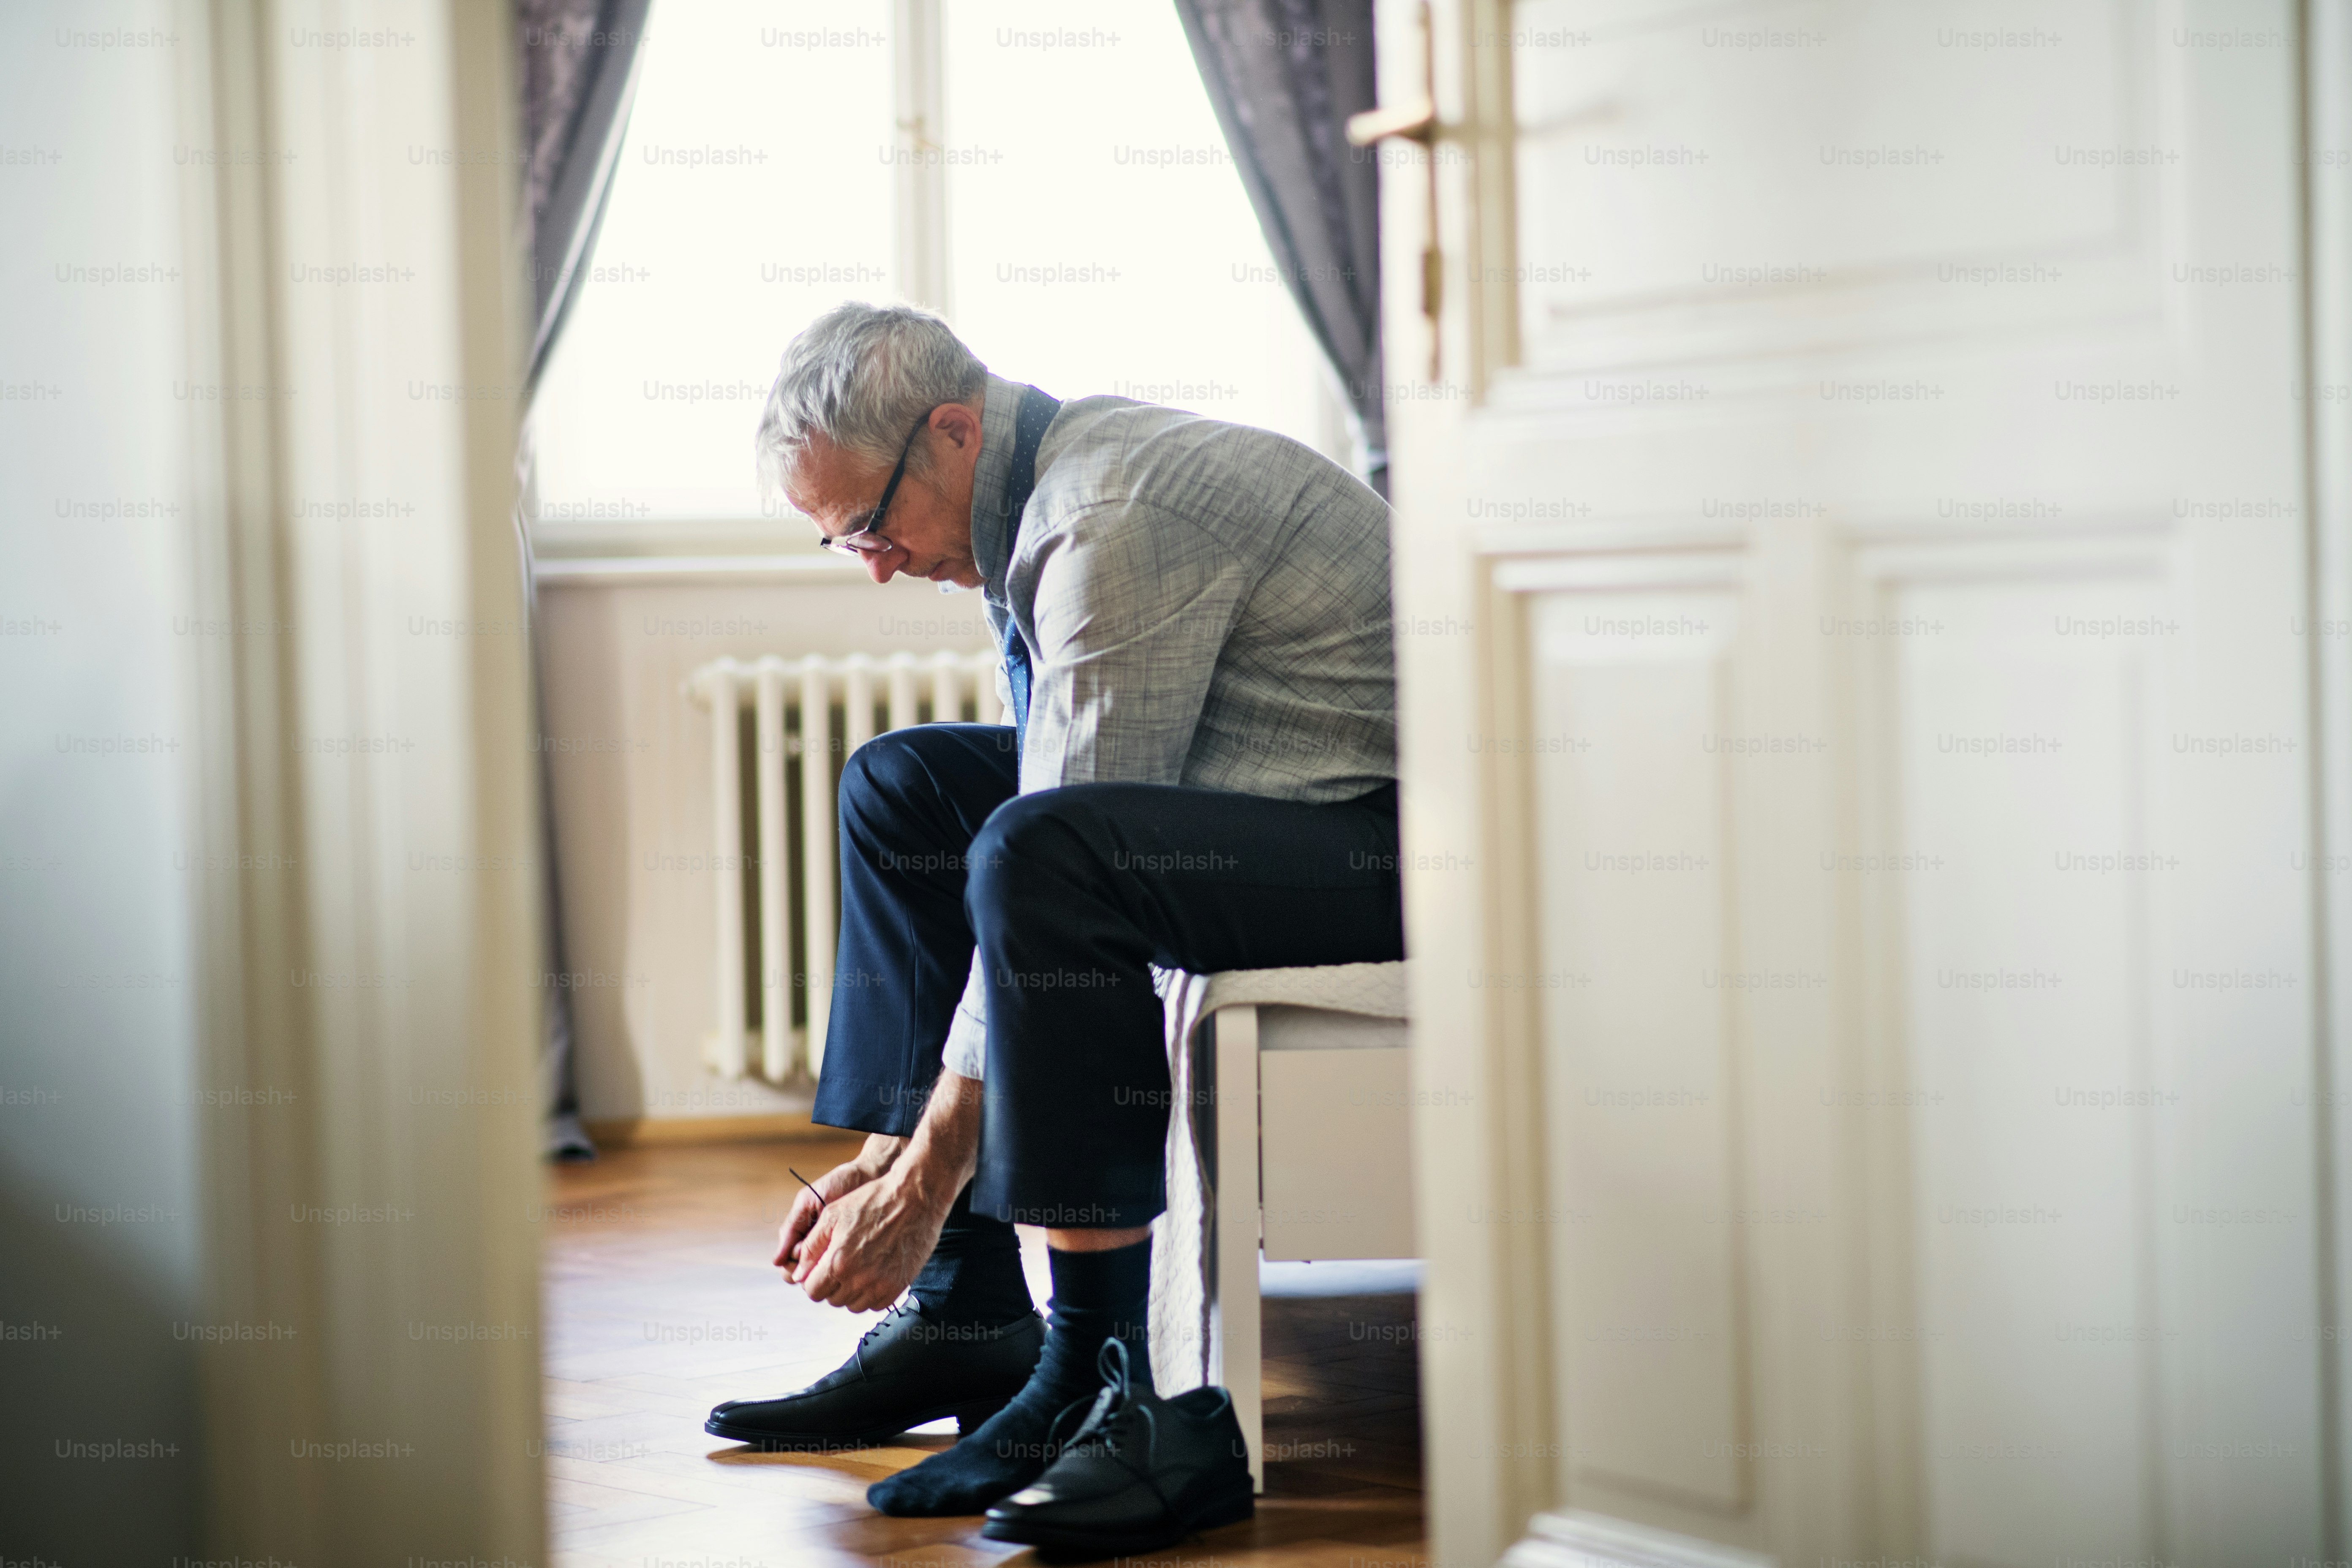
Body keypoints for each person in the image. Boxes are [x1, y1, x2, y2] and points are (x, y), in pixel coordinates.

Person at [702, 302, 1403, 1552]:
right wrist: (893, 1151)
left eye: (868, 524)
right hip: (1253, 791)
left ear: (955, 431)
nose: (870, 563)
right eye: (839, 542)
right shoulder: (1036, 494)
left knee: (1046, 852)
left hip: (1387, 839)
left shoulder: (1111, 520)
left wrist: (925, 1176)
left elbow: (1056, 828)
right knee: (902, 784)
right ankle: (967, 1311)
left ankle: (1106, 1376)